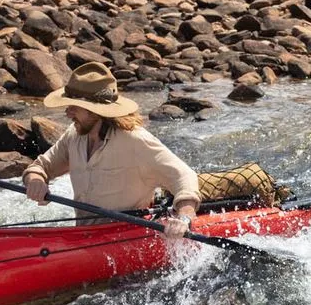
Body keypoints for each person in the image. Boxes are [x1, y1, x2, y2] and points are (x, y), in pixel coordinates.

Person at [23, 61, 200, 239]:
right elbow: (41, 167)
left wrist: (184, 218)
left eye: (74, 107)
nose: (67, 113)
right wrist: (35, 180)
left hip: (128, 238)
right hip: (83, 236)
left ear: (95, 111)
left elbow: (184, 176)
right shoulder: (74, 136)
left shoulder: (135, 140)